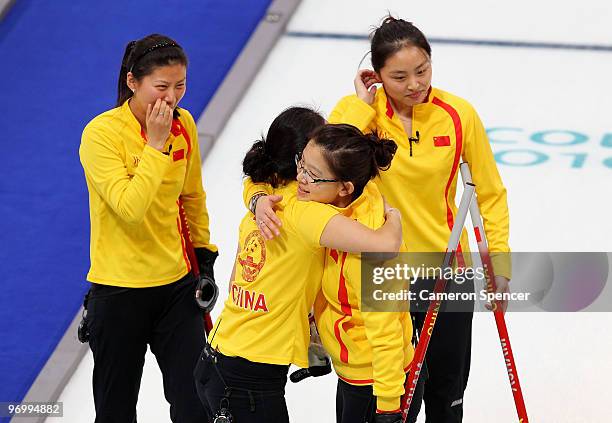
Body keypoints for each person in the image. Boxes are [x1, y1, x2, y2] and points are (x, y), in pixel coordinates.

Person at [328, 17, 512, 422]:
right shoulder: (367, 116)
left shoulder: (458, 115)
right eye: (399, 76)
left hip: (447, 270)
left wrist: (498, 261)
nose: (414, 84)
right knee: (396, 393)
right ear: (377, 75)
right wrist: (359, 104)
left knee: (447, 391)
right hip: (382, 271)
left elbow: (491, 193)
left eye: (422, 71)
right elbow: (325, 157)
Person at [194, 109, 403, 422]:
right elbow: (385, 245)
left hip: (216, 361)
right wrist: (394, 214)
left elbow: (339, 147)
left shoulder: (267, 192)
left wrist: (360, 102)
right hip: (247, 385)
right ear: (299, 158)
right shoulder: (307, 213)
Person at [79, 34, 218, 423]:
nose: (171, 98)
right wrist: (155, 147)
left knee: (196, 405)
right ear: (132, 83)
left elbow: (192, 196)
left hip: (176, 287)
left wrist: (204, 260)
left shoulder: (183, 124)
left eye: (180, 86)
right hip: (119, 291)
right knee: (116, 410)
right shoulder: (101, 135)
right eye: (161, 87)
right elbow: (129, 208)